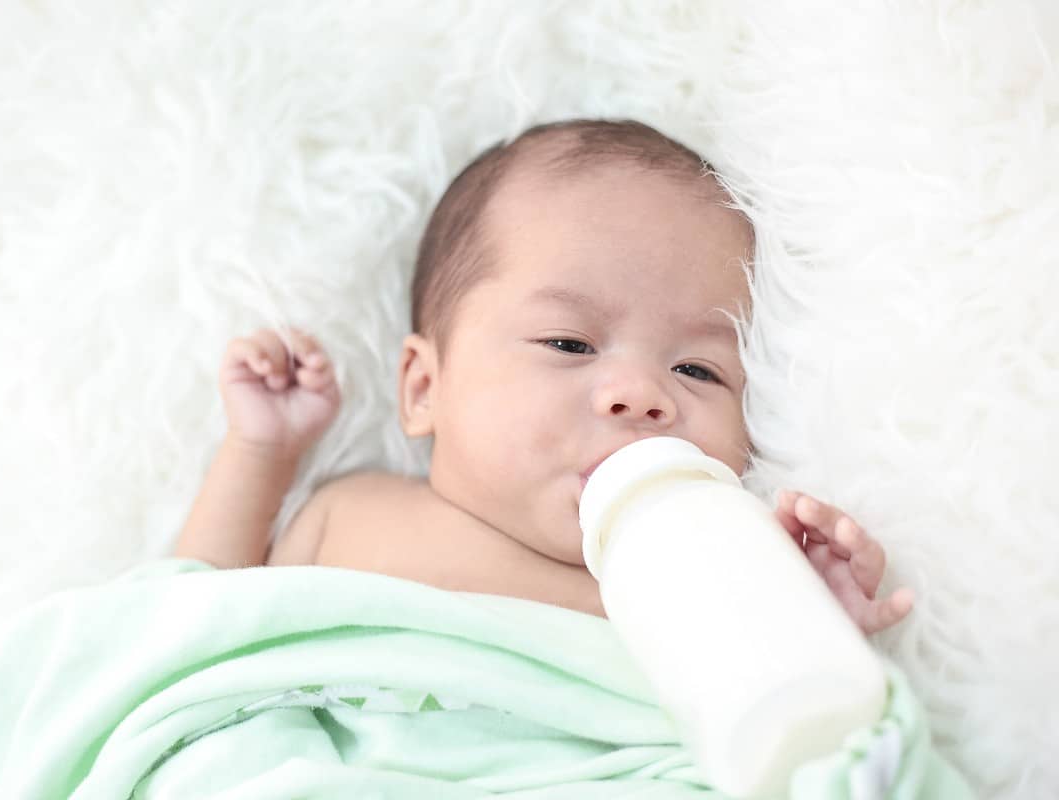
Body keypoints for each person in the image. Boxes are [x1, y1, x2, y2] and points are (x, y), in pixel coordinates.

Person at [174, 119, 914, 634]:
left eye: (697, 368)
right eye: (568, 343)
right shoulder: (350, 513)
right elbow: (176, 622)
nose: (641, 394)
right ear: (425, 388)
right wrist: (261, 454)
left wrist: (811, 609)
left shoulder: (712, 559)